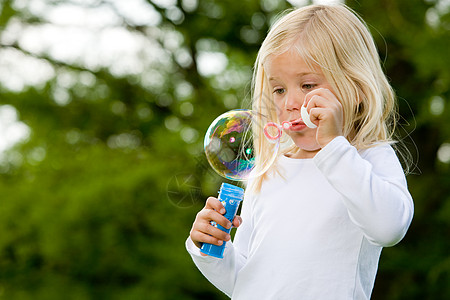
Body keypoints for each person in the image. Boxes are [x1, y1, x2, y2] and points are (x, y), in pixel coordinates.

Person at [186, 4, 414, 299]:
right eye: (279, 90)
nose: (290, 102)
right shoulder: (268, 172)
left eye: (307, 85)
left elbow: (388, 228)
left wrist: (333, 146)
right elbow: (247, 280)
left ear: (356, 87)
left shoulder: (366, 158)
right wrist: (213, 249)